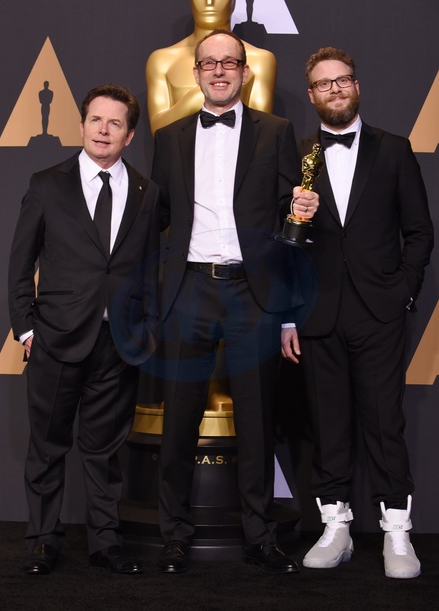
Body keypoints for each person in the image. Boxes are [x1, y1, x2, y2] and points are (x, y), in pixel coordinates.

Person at [151, 29, 319, 574]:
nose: (220, 71)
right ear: (196, 72)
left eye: (230, 63)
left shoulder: (277, 132)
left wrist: (289, 307)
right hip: (189, 289)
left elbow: (290, 220)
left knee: (256, 419)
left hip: (254, 292)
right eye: (210, 63)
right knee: (179, 422)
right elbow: (156, 220)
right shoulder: (169, 137)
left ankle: (260, 537)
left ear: (245, 72)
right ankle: (174, 536)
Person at [8, 84, 160, 575]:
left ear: (129, 135)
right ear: (81, 125)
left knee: (105, 453)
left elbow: (150, 269)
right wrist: (26, 330)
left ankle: (105, 543)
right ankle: (42, 541)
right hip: (55, 338)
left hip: (118, 344)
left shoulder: (147, 192)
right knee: (47, 448)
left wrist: (147, 330)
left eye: (115, 123)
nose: (103, 130)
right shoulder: (47, 184)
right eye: (96, 120)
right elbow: (20, 265)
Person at [298, 48, 434, 579]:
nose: (334, 89)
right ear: (311, 95)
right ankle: (335, 527)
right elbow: (282, 244)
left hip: (380, 312)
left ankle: (397, 532)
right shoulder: (299, 153)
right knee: (327, 423)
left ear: (357, 86)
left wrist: (403, 292)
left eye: (342, 80)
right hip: (318, 311)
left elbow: (419, 231)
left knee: (384, 423)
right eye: (323, 83)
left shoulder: (394, 149)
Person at [145, 0, 276, 134]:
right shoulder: (162, 61)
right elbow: (158, 132)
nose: (209, 2)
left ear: (233, 2)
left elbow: (262, 132)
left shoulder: (260, 61)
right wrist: (198, 98)